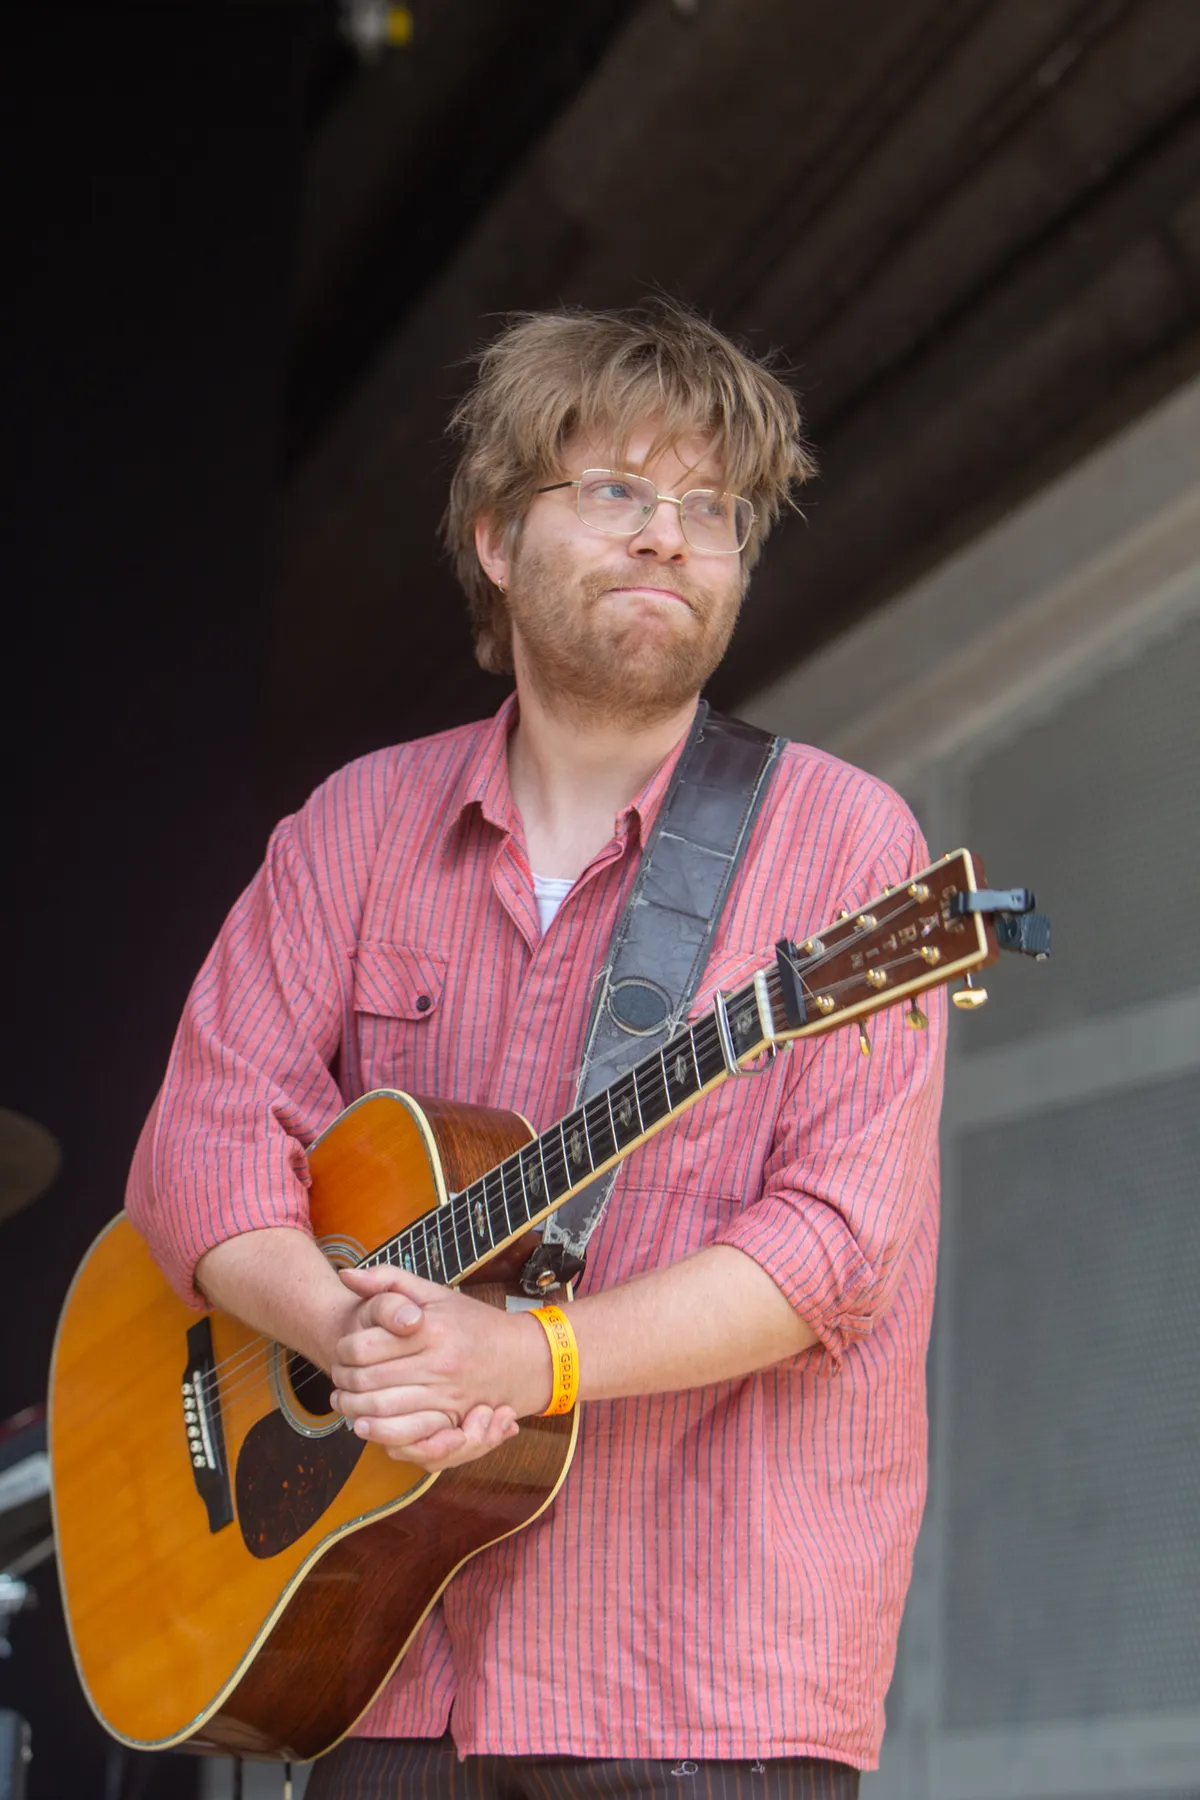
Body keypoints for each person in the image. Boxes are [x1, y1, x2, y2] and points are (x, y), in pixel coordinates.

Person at [126, 301, 946, 1799]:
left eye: (713, 508)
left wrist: (525, 1356)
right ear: (498, 536)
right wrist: (350, 1335)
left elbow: (836, 1245)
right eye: (618, 489)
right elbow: (201, 1143)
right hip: (380, 1650)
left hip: (696, 1674)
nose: (668, 536)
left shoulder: (846, 846)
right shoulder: (353, 830)